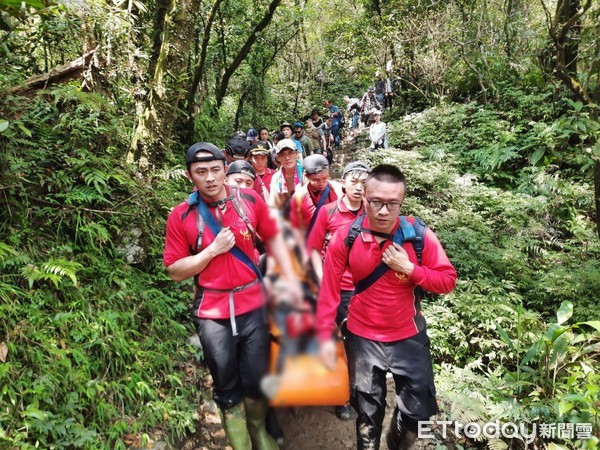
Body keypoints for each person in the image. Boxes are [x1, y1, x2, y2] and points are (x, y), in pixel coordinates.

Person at [163, 142, 303, 450]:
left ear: (225, 170)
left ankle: (259, 431)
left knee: (255, 380)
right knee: (226, 387)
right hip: (212, 312)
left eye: (215, 170)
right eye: (201, 172)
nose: (210, 178)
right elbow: (175, 270)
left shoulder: (249, 199)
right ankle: (241, 443)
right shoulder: (181, 216)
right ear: (190, 177)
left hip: (253, 304)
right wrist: (211, 251)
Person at [316, 164, 457, 450]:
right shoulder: (346, 236)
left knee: (417, 414)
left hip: (408, 334)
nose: (382, 211)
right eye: (376, 202)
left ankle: (396, 442)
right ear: (364, 197)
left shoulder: (418, 235)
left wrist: (411, 269)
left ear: (402, 202)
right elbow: (329, 292)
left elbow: (447, 280)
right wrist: (323, 340)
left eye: (392, 204)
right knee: (368, 414)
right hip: (362, 335)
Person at [307, 161, 370, 421]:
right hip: (339, 290)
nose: (359, 187)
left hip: (367, 290)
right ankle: (342, 395)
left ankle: (361, 392)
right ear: (342, 183)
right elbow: (311, 249)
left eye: (364, 183)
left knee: (363, 345)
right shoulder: (328, 212)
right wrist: (324, 281)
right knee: (340, 344)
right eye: (353, 181)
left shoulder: (375, 213)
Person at [268, 138, 305, 210]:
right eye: (282, 155)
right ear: (278, 158)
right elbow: (272, 203)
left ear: (297, 154)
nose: (287, 158)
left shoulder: (305, 174)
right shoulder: (276, 177)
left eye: (290, 153)